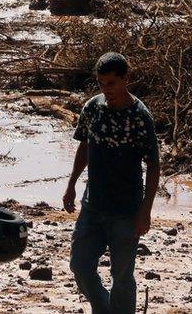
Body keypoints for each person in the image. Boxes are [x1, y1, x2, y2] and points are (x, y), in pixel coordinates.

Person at [63, 52, 161, 314]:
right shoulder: (92, 108)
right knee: (80, 267)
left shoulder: (140, 117)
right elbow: (84, 146)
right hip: (93, 205)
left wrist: (145, 211)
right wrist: (71, 184)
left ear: (125, 79)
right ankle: (103, 308)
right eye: (101, 83)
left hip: (126, 211)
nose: (106, 90)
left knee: (122, 277)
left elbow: (153, 166)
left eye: (111, 84)